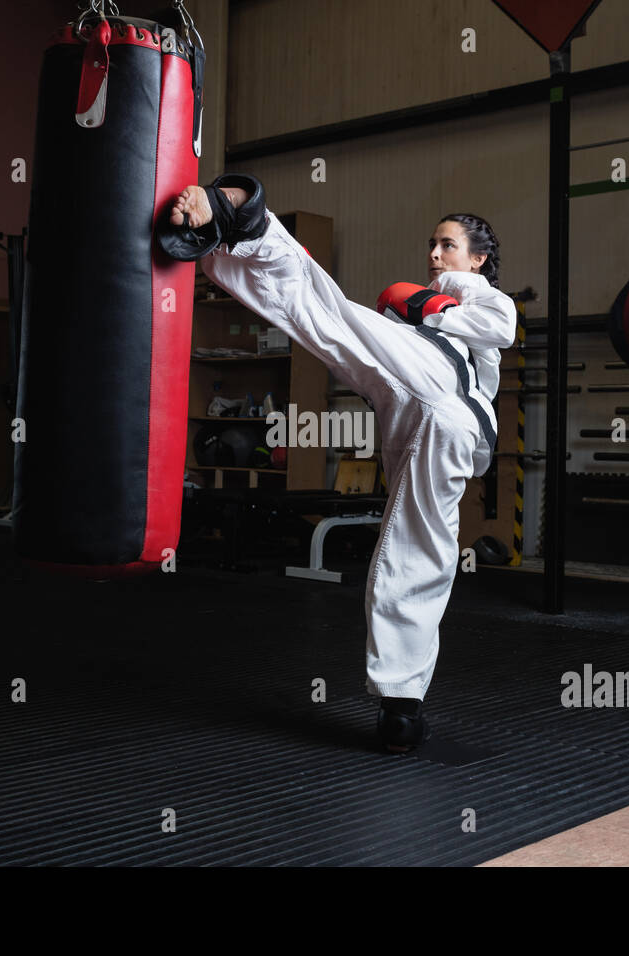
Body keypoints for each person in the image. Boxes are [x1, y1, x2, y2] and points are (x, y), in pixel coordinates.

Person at [165, 174, 516, 752]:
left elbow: (501, 326)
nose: (435, 254)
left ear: (477, 259)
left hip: (445, 396)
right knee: (412, 549)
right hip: (408, 411)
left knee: (333, 311)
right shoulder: (421, 308)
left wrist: (429, 299)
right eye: (432, 244)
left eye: (448, 245)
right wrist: (418, 306)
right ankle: (401, 707)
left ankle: (248, 223)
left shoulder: (476, 295)